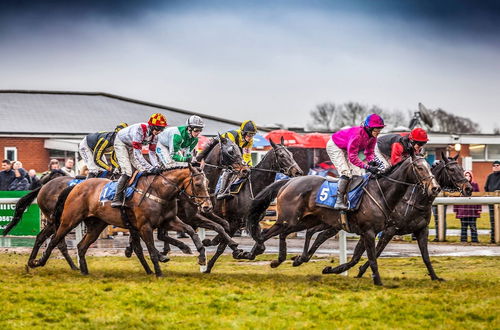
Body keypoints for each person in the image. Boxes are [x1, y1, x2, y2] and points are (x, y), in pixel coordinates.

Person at [326, 113, 385, 210]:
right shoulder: (357, 136)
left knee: (357, 174)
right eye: (376, 129)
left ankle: (352, 198)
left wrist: (372, 162)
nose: (378, 132)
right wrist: (368, 167)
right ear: (368, 128)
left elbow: (369, 152)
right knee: (346, 172)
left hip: (345, 147)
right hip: (335, 145)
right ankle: (339, 201)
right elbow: (353, 158)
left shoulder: (373, 137)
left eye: (380, 129)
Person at [111, 113, 167, 208]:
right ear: (152, 126)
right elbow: (137, 154)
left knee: (143, 170)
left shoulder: (155, 135)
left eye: (161, 129)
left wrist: (156, 166)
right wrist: (150, 168)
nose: (159, 131)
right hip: (121, 143)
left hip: (131, 146)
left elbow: (152, 153)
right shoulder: (140, 129)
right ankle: (116, 198)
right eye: (157, 128)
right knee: (127, 171)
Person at [216, 120, 257, 200]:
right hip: (220, 151)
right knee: (230, 170)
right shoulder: (231, 135)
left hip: (233, 152)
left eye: (253, 134)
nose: (250, 137)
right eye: (249, 134)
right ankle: (221, 192)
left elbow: (247, 155)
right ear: (243, 132)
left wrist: (249, 165)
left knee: (242, 170)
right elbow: (228, 153)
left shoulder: (250, 141)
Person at [454, 171, 481, 242]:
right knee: (463, 227)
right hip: (462, 210)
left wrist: (479, 209)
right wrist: (456, 210)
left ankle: (474, 240)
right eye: (466, 175)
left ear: (471, 177)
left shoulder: (475, 185)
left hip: (472, 210)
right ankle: (463, 241)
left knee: (473, 226)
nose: (467, 177)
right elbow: (456, 197)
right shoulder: (460, 186)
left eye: (469, 176)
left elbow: (479, 197)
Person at [484, 160, 500, 243]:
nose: (496, 167)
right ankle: (493, 238)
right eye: (494, 165)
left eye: (497, 165)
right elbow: (486, 187)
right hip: (491, 202)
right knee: (493, 221)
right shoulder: (490, 176)